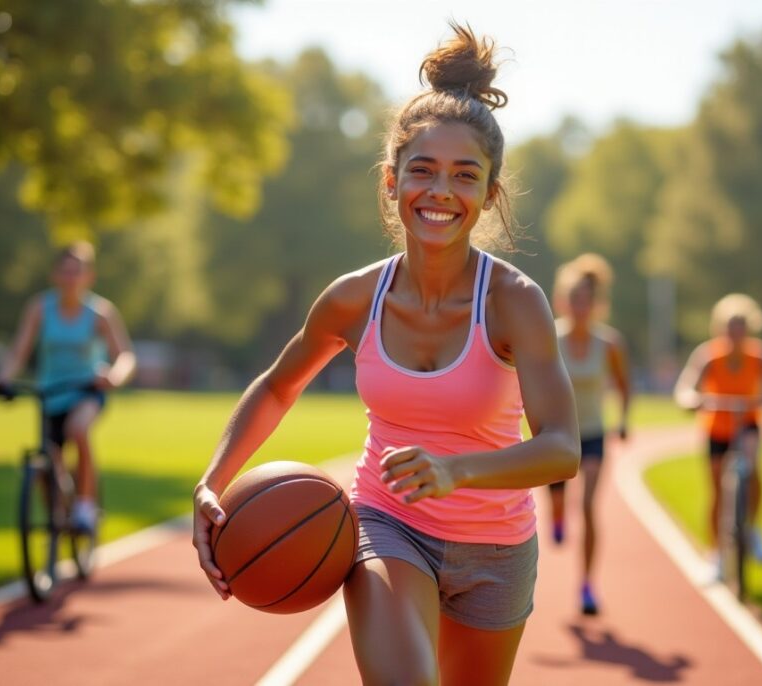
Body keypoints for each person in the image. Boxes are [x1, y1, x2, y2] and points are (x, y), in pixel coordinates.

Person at [192, 25, 579, 686]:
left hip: (497, 550)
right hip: (386, 524)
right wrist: (212, 480)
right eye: (422, 170)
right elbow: (279, 385)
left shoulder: (515, 302)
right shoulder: (352, 298)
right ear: (393, 178)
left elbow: (562, 448)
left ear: (488, 193)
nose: (439, 191)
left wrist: (455, 471)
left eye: (465, 175)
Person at [0, 241, 136, 533]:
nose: (70, 278)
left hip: (87, 390)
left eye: (76, 272)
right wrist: (1, 378)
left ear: (88, 276)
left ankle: (84, 508)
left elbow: (126, 356)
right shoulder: (39, 309)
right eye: (65, 272)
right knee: (45, 460)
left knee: (77, 430)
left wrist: (114, 376)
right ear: (55, 275)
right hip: (50, 394)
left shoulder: (100, 313)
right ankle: (57, 518)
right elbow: (19, 352)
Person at [674, 294, 762, 580]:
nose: (735, 332)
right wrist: (689, 398)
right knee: (717, 490)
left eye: (741, 325)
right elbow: (686, 384)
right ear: (720, 327)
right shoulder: (709, 355)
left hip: (747, 423)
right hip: (717, 427)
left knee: (753, 468)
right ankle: (716, 555)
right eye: (730, 325)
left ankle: (753, 529)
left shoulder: (760, 354)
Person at [546, 253, 631, 616]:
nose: (580, 306)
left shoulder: (609, 344)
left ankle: (586, 585)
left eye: (586, 300)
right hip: (556, 434)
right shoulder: (549, 336)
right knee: (560, 503)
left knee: (590, 506)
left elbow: (625, 387)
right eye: (574, 299)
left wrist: (624, 419)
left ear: (595, 304)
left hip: (593, 433)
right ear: (563, 301)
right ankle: (558, 515)